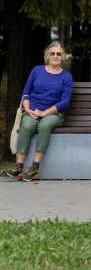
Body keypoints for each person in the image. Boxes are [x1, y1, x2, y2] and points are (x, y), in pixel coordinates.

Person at [9, 41, 72, 182]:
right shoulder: (37, 70)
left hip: (55, 114)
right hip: (33, 111)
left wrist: (44, 113)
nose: (55, 56)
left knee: (44, 125)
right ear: (47, 55)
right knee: (26, 125)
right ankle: (19, 166)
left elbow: (64, 102)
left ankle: (34, 167)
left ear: (63, 57)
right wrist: (28, 110)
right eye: (52, 53)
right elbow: (26, 93)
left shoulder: (66, 77)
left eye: (59, 54)